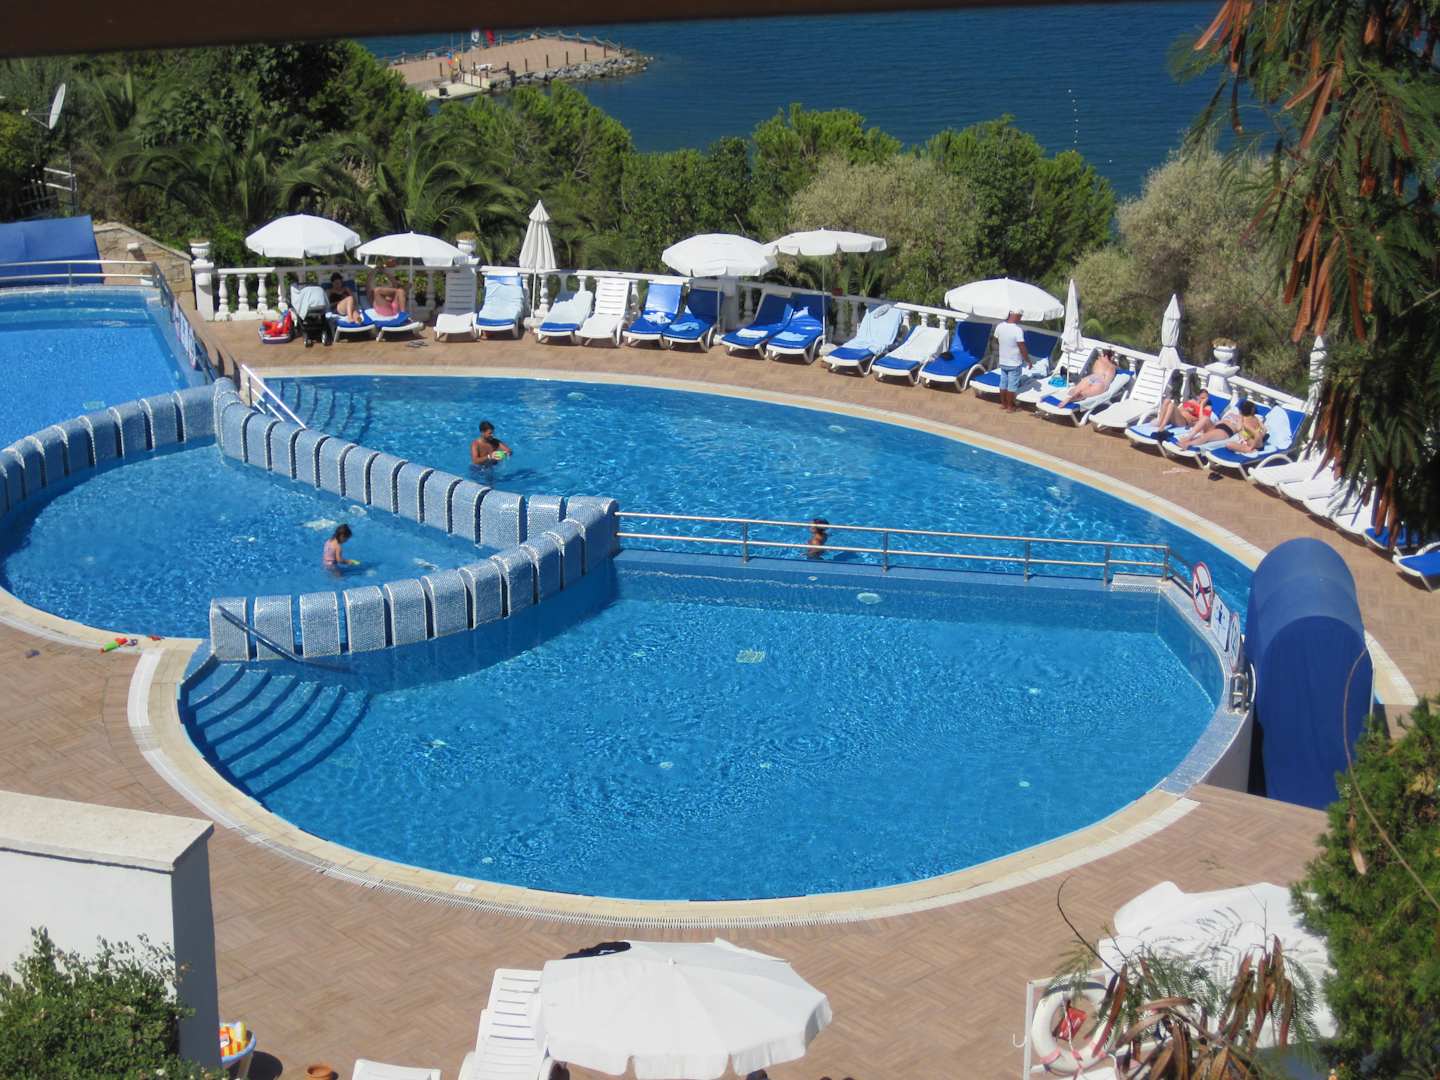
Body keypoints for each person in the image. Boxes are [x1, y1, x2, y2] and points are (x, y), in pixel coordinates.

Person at [1176, 398, 1259, 450]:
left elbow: (1239, 428)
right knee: (1205, 418)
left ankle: (1188, 444)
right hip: (1216, 426)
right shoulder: (1233, 412)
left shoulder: (1244, 419)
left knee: (1206, 436)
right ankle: (1188, 438)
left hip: (1225, 431)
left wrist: (1241, 418)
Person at [992, 310, 1029, 413]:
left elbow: (995, 340)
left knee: (1003, 384)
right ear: (1016, 316)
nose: (1021, 319)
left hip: (1003, 361)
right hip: (1014, 362)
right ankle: (1010, 406)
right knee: (1012, 386)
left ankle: (1003, 404)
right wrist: (1028, 360)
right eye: (1020, 316)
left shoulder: (999, 326)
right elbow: (1022, 347)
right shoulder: (1017, 330)